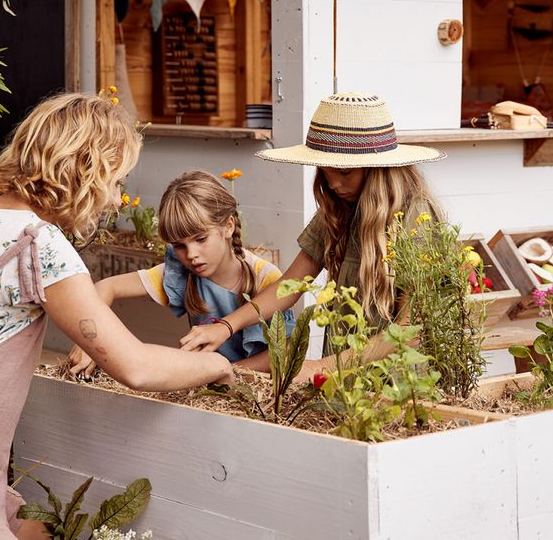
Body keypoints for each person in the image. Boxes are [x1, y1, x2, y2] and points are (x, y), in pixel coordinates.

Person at [0, 93, 234, 540]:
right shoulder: (38, 246)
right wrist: (219, 367)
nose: (118, 197)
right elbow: (138, 367)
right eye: (115, 179)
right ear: (85, 171)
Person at [178, 92, 445, 377]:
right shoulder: (339, 209)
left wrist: (320, 368)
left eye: (344, 172)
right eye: (325, 171)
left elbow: (409, 329)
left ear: (378, 169)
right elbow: (290, 286)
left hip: (399, 387)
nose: (333, 184)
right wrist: (225, 326)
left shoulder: (416, 216)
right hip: (342, 380)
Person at [67, 170, 295, 378]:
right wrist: (89, 342)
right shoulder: (183, 273)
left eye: (200, 239)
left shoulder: (266, 279)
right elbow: (107, 287)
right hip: (207, 385)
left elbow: (281, 355)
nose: (191, 255)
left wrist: (223, 372)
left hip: (260, 387)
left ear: (228, 226)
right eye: (179, 246)